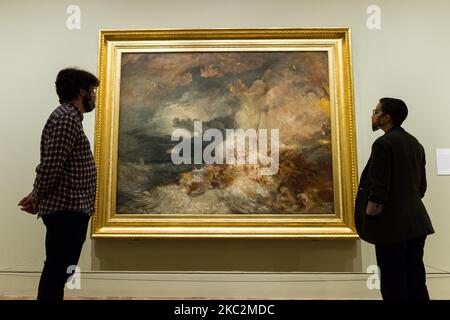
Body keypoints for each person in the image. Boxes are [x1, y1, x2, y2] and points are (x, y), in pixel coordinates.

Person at [18, 68, 99, 300]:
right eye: (92, 90)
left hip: (71, 209)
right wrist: (36, 196)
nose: (93, 96)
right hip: (66, 210)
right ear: (81, 91)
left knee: (60, 268)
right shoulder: (66, 118)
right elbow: (52, 164)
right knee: (57, 269)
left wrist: (37, 195)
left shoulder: (70, 117)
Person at [355, 97, 434, 300]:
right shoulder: (415, 143)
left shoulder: (383, 144)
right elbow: (421, 187)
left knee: (393, 282)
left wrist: (370, 215)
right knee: (415, 279)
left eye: (376, 111)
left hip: (391, 226)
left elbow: (379, 187)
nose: (373, 115)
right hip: (417, 223)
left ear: (387, 117)